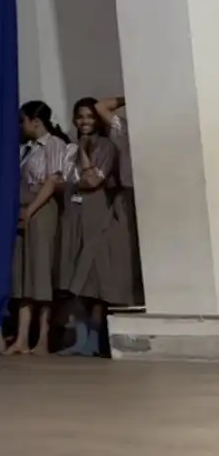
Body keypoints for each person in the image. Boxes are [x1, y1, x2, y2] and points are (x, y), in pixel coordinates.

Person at [57, 97, 131, 356]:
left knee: (94, 278)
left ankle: (95, 338)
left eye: (89, 116)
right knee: (72, 274)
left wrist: (85, 152)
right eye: (80, 116)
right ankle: (79, 337)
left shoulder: (106, 146)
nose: (84, 121)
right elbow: (62, 182)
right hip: (73, 213)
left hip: (96, 211)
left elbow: (92, 181)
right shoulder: (69, 147)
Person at [3, 100, 67, 355]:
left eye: (23, 121)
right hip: (25, 206)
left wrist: (31, 209)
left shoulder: (54, 145)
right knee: (24, 274)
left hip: (42, 208)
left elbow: (52, 181)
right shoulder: (27, 149)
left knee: (41, 273)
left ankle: (42, 338)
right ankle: (21, 338)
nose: (21, 126)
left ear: (35, 121)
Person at [93, 94, 144, 308]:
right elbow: (100, 106)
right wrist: (132, 94)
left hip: (150, 194)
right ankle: (131, 298)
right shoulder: (123, 128)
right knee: (127, 250)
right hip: (127, 194)